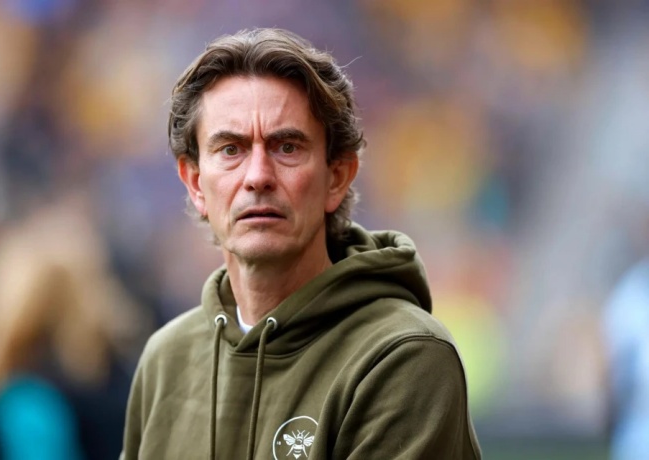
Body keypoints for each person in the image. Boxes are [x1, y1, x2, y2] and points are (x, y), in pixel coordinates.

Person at [121, 28, 481, 460]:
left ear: (337, 177)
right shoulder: (165, 360)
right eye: (231, 149)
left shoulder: (402, 357)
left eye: (287, 147)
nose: (257, 176)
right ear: (196, 183)